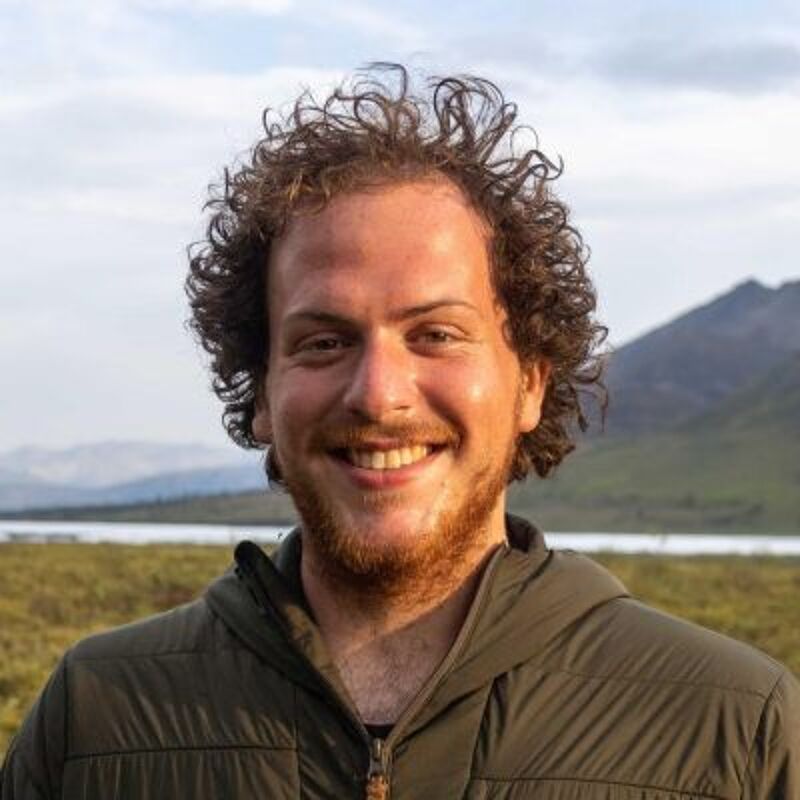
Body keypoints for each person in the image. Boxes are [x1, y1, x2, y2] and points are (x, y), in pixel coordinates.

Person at [2, 65, 798, 799]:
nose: (379, 394)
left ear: (530, 383)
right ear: (261, 397)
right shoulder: (94, 720)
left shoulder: (735, 730)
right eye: (323, 341)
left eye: (437, 334)